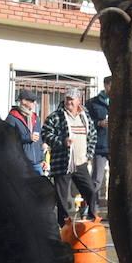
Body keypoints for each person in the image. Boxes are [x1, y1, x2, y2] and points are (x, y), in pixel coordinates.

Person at [44, 88, 98, 224]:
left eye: (72, 99)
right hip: (62, 163)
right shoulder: (55, 116)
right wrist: (62, 142)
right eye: (67, 98)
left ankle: (92, 220)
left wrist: (89, 155)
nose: (69, 101)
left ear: (79, 100)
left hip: (81, 162)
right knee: (62, 197)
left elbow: (93, 136)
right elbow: (45, 134)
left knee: (90, 191)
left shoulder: (84, 116)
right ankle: (64, 225)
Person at [85, 76, 112, 218]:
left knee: (116, 180)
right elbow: (87, 122)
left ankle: (113, 211)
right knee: (97, 179)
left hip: (116, 147)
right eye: (111, 86)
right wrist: (98, 123)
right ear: (105, 85)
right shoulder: (93, 103)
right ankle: (92, 210)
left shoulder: (120, 102)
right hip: (100, 146)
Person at [6, 89, 44, 177]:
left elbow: (39, 140)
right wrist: (27, 137)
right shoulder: (12, 118)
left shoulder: (35, 118)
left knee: (39, 189)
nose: (35, 103)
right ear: (23, 101)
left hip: (37, 163)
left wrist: (42, 159)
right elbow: (8, 139)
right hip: (21, 163)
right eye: (32, 101)